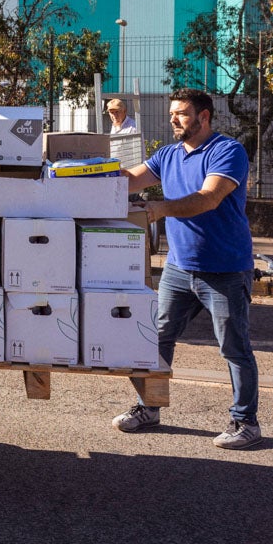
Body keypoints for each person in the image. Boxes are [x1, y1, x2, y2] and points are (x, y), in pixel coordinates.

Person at [113, 87, 261, 449]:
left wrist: (161, 208)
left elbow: (208, 198)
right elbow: (131, 179)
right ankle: (149, 407)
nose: (173, 119)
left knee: (233, 347)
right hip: (179, 269)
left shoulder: (227, 151)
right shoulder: (168, 155)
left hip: (224, 270)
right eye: (172, 113)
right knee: (157, 338)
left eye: (180, 113)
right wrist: (85, 174)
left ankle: (246, 422)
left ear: (203, 116)